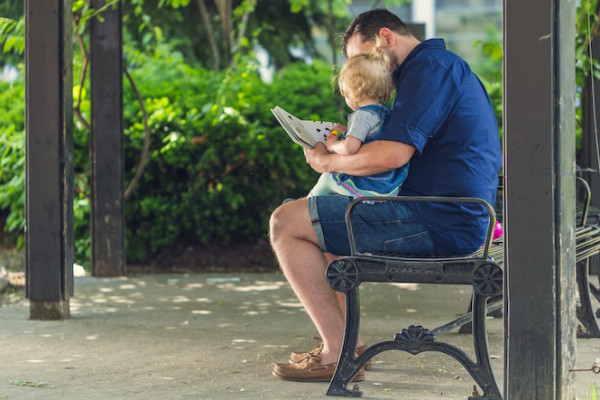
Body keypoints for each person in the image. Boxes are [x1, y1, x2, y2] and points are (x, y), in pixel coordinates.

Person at [270, 8, 502, 382]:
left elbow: (393, 155)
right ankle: (350, 347)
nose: (364, 69)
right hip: (446, 213)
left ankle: (335, 354)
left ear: (386, 38)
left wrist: (327, 163)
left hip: (440, 220)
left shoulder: (430, 70)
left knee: (285, 222)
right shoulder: (429, 69)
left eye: (364, 57)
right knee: (322, 222)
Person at [309, 40, 408, 197]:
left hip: (370, 183)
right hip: (388, 183)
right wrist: (347, 131)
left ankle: (307, 203)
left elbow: (350, 148)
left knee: (327, 178)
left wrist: (334, 144)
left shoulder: (362, 115)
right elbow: (367, 137)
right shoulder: (384, 112)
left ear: (351, 91)